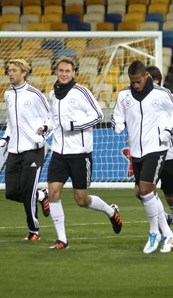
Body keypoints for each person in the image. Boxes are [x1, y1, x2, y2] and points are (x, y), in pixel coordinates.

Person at [45, 57, 121, 250]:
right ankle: (62, 240)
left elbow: (98, 115)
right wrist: (45, 129)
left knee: (82, 199)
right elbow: (53, 120)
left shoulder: (81, 92)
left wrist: (75, 126)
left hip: (80, 154)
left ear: (73, 73)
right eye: (61, 70)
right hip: (58, 152)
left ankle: (110, 212)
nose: (63, 74)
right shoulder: (52, 94)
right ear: (56, 72)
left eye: (67, 71)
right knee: (53, 193)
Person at [112, 60, 173, 253]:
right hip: (136, 151)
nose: (136, 85)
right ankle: (167, 232)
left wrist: (168, 130)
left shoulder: (161, 94)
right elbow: (116, 115)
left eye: (138, 81)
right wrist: (117, 124)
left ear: (146, 76)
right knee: (147, 193)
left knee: (145, 189)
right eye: (132, 82)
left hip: (157, 147)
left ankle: (154, 233)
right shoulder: (124, 95)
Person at [0, 59, 51, 241]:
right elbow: (10, 122)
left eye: (14, 70)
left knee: (27, 190)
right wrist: (6, 137)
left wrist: (43, 132)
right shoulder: (7, 94)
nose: (10, 73)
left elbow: (51, 119)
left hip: (34, 149)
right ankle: (41, 195)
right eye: (9, 70)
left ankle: (33, 230)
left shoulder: (35, 95)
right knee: (12, 192)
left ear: (24, 74)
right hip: (14, 150)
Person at [145, 65, 173, 247]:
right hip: (150, 154)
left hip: (171, 155)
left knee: (171, 197)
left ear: (156, 81)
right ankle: (164, 219)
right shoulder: (143, 100)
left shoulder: (169, 99)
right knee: (142, 192)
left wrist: (166, 132)